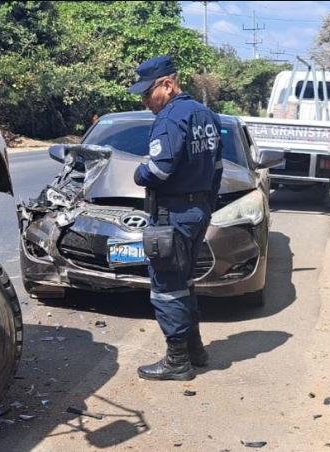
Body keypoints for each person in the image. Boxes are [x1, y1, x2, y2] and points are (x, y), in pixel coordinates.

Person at [129, 56, 223, 381]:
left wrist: (139, 173)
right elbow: (217, 168)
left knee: (166, 286)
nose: (145, 102)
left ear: (167, 85)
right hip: (197, 211)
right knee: (184, 282)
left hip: (172, 215)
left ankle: (177, 361)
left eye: (147, 94)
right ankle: (195, 350)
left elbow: (158, 169)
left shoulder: (170, 118)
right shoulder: (205, 114)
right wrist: (204, 206)